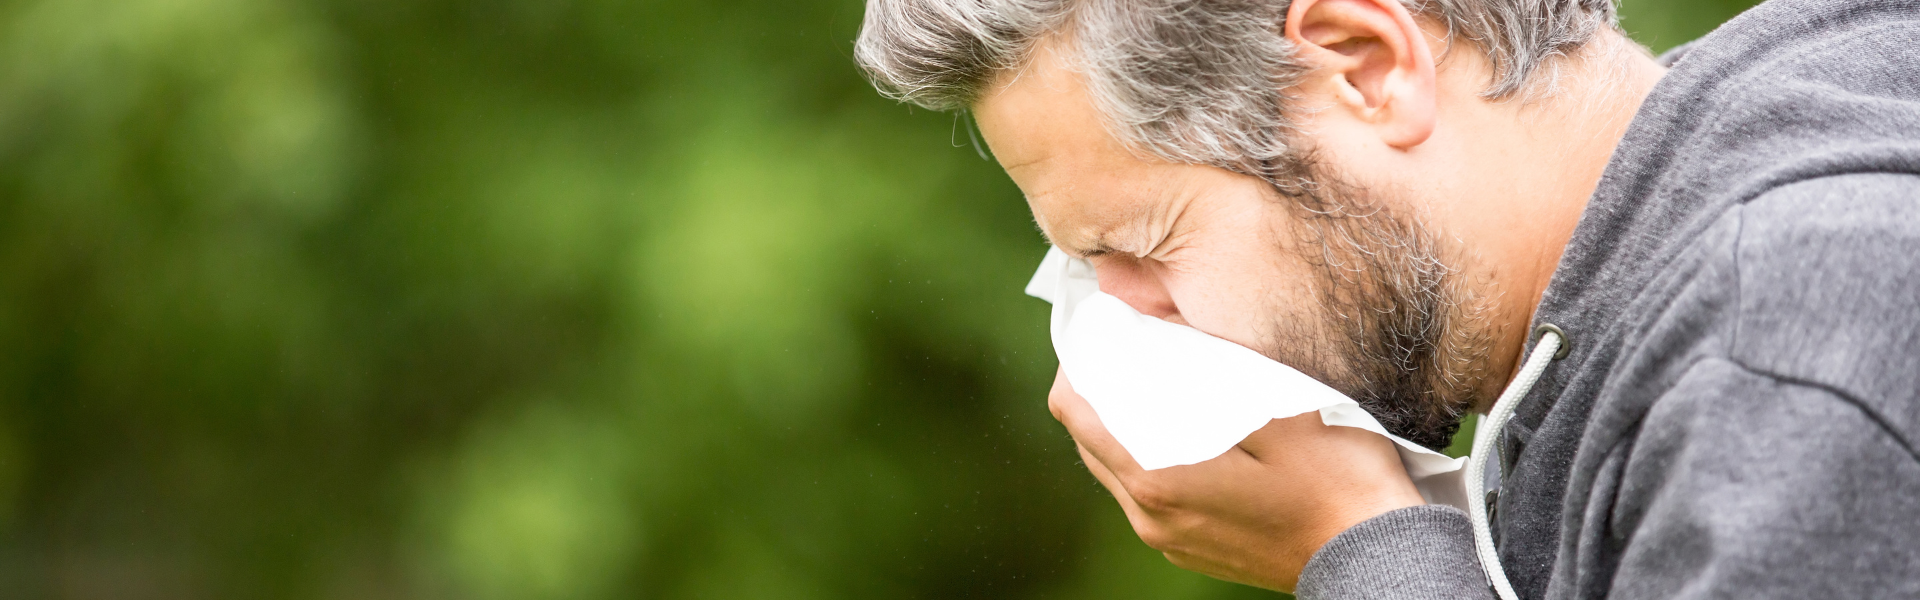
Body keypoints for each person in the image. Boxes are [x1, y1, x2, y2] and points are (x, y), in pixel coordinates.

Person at [853, 0, 1920, 597]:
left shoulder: (1782, 362)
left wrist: (1363, 546)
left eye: (1139, 244)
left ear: (1365, 66)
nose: (1129, 318)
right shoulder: (1667, 280)